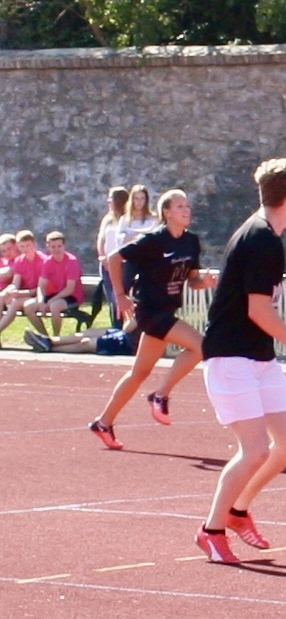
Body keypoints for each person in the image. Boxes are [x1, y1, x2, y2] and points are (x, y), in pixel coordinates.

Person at [196, 157, 286, 564]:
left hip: (257, 357)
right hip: (231, 356)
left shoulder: (266, 236)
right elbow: (258, 311)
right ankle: (211, 530)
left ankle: (238, 510)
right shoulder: (261, 240)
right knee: (252, 451)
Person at [88, 189, 217, 448]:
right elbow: (114, 258)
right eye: (180, 206)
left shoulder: (191, 241)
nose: (186, 210)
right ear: (166, 212)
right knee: (202, 346)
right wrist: (121, 295)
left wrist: (204, 281)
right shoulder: (154, 240)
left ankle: (103, 422)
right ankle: (160, 395)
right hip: (149, 311)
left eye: (187, 205)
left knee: (139, 373)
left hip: (167, 311)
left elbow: (191, 279)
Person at [24, 231, 84, 339]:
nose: (56, 250)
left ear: (64, 246)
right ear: (48, 247)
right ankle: (45, 337)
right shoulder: (47, 261)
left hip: (71, 296)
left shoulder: (72, 261)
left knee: (54, 306)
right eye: (53, 247)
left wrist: (51, 300)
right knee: (28, 306)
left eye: (59, 246)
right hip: (54, 294)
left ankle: (56, 337)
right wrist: (41, 300)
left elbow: (70, 289)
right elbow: (41, 285)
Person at [94, 185, 131, 326]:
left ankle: (126, 327)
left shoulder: (128, 220)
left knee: (122, 296)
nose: (108, 201)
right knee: (112, 298)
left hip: (123, 264)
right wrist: (102, 256)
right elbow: (101, 239)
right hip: (106, 264)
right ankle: (116, 326)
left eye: (111, 198)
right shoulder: (107, 219)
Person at [0, 230, 44, 338]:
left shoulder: (43, 260)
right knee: (2, 297)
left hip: (41, 294)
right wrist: (7, 293)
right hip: (24, 294)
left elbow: (41, 288)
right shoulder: (19, 260)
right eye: (22, 246)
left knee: (22, 305)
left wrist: (18, 293)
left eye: (27, 245)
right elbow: (15, 283)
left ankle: (46, 337)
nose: (25, 249)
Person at [26, 324, 140, 357]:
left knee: (86, 342)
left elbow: (128, 327)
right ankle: (49, 340)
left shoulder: (150, 308)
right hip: (123, 335)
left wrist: (132, 313)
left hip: (127, 344)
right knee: (90, 332)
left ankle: (51, 348)